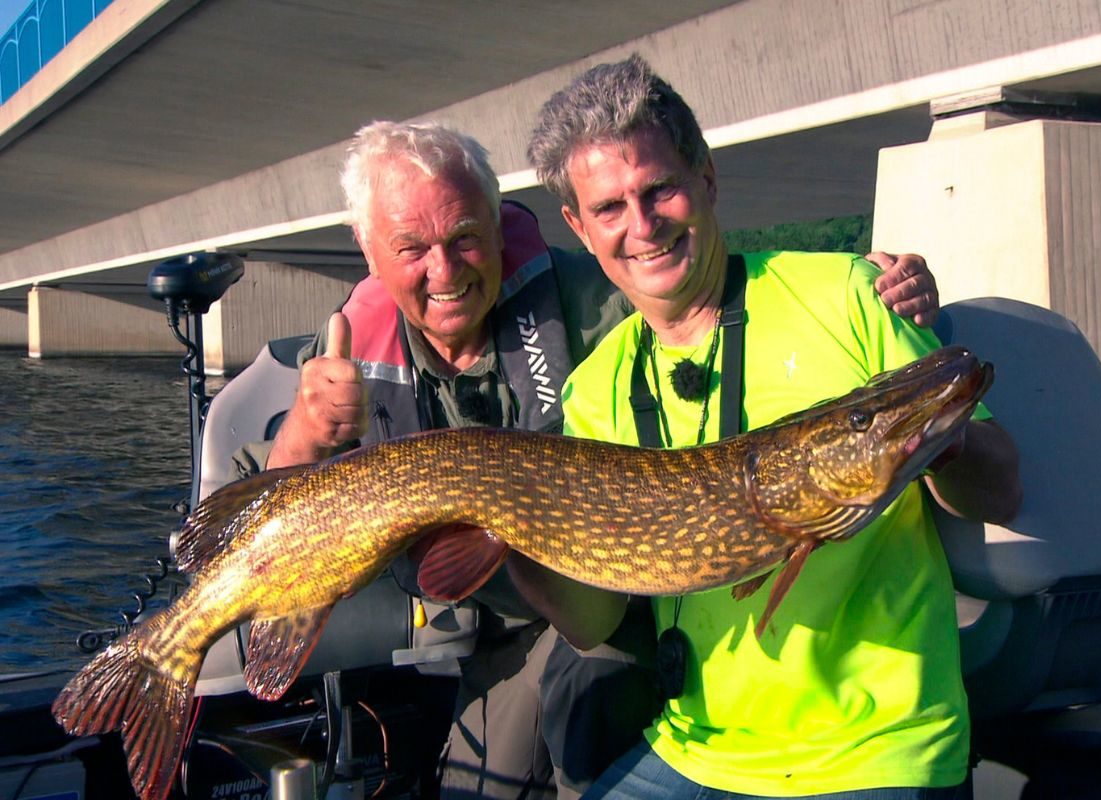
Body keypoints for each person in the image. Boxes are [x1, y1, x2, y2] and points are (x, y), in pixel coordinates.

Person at [238, 120, 946, 798]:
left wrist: (891, 288)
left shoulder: (596, 304)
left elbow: (701, 282)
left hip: (613, 590)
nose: (444, 269)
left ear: (496, 221)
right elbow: (267, 529)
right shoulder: (343, 346)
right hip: (492, 621)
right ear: (370, 253)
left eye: (464, 238)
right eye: (412, 250)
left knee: (584, 712)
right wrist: (303, 430)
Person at [511, 54, 1022, 799]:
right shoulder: (596, 390)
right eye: (611, 208)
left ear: (706, 179)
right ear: (580, 228)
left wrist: (945, 440)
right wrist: (510, 536)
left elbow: (1002, 491)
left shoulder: (850, 295)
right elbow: (595, 618)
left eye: (660, 190)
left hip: (874, 751)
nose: (643, 225)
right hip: (693, 750)